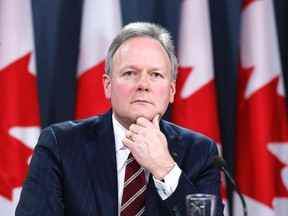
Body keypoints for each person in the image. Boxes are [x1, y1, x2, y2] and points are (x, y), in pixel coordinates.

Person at [16, 22, 224, 215]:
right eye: (130, 73)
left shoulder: (201, 153)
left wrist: (165, 168)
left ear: (171, 91)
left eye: (156, 75)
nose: (143, 84)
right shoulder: (60, 145)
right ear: (108, 86)